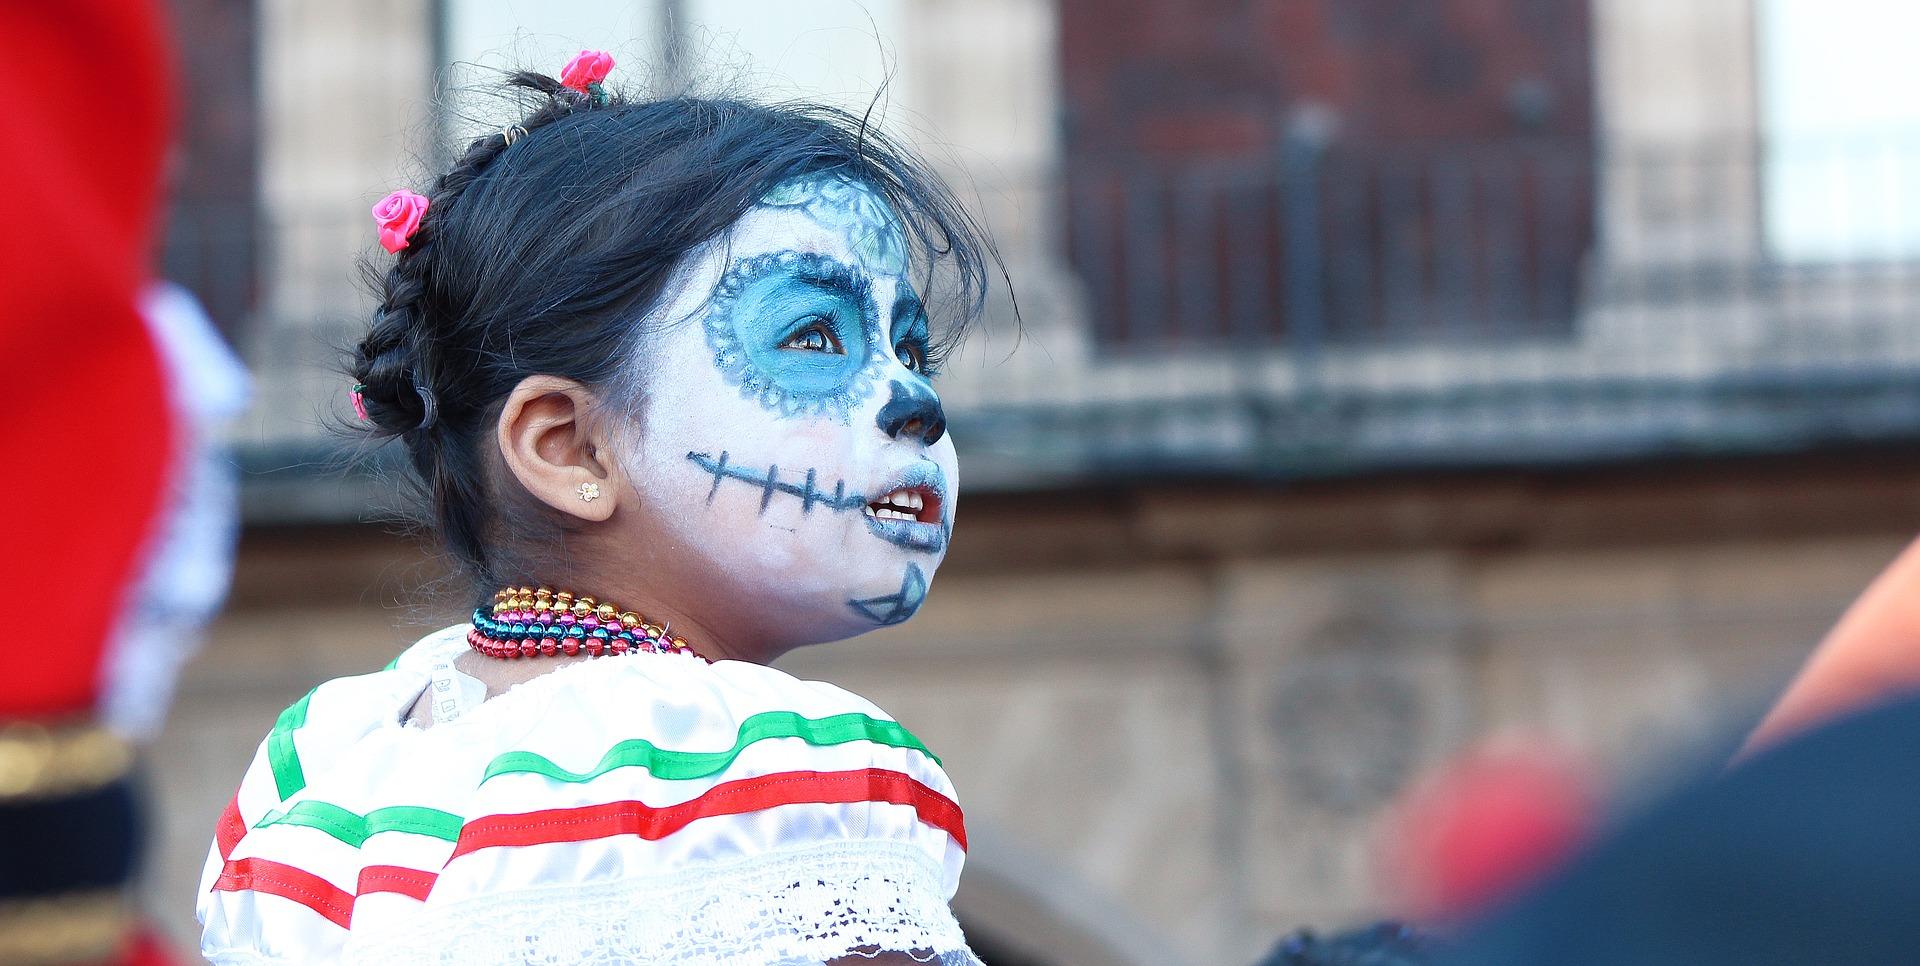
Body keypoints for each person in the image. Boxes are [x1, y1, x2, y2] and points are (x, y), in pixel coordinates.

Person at [198, 54, 993, 965]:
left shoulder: (325, 773)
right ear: (567, 447)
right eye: (814, 336)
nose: (912, 401)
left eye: (911, 350)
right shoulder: (774, 779)